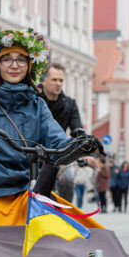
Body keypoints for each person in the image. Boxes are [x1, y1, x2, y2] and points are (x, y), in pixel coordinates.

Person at [0, 28, 103, 228]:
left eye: (21, 59)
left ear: (29, 65)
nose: (14, 65)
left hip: (27, 192)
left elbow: (58, 140)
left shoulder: (37, 105)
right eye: (6, 59)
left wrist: (80, 145)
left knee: (79, 235)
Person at [34, 63, 83, 201]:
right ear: (44, 80)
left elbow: (78, 131)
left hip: (58, 154)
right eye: (54, 79)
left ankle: (64, 215)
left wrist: (84, 150)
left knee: (67, 179)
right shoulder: (32, 98)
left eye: (61, 80)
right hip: (31, 151)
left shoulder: (69, 104)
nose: (58, 84)